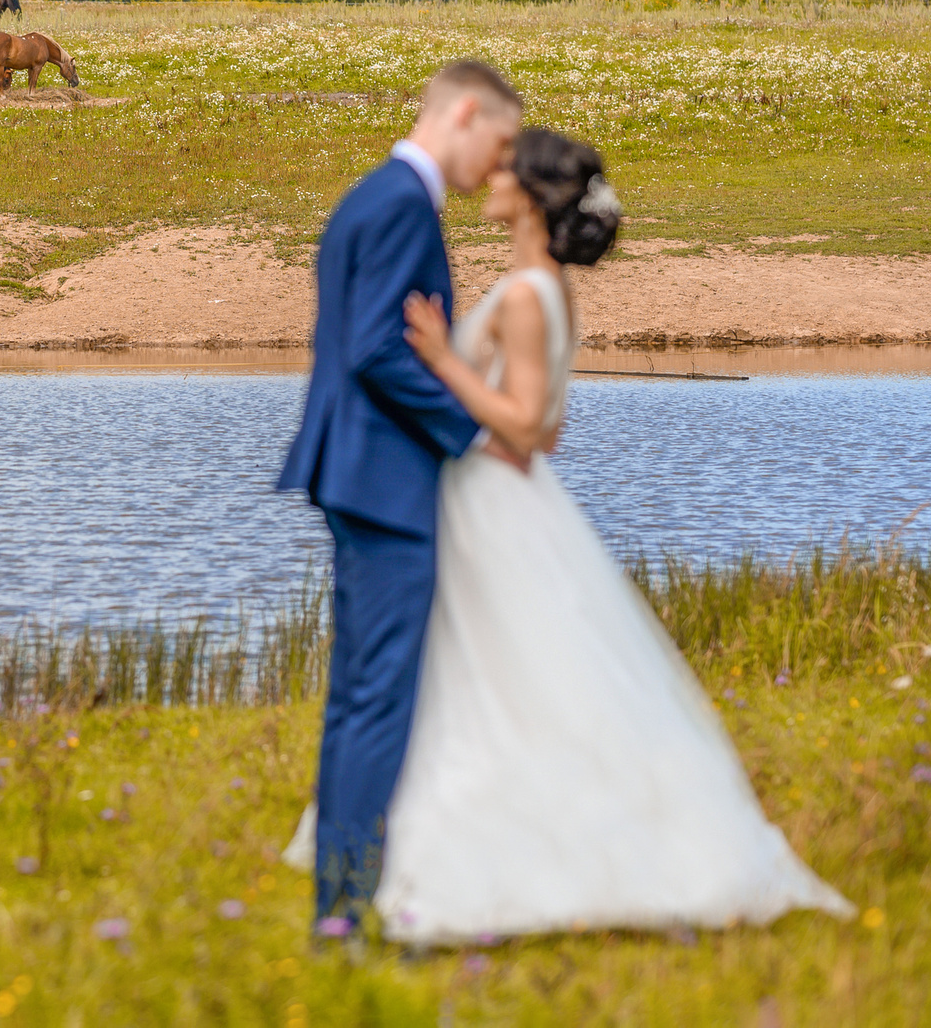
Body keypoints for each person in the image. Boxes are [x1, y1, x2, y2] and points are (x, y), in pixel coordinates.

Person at [357, 127, 851, 942]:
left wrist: (444, 361)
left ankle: (500, 853)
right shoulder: (546, 288)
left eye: (510, 171)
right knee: (526, 675)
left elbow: (522, 428)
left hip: (494, 499)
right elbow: (547, 433)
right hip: (519, 501)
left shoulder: (523, 295)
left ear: (536, 195)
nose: (494, 177)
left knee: (495, 676)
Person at [275, 59, 523, 938]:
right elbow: (379, 349)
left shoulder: (369, 197)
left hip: (357, 472)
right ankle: (344, 911)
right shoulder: (402, 205)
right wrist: (474, 430)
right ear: (463, 113)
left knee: (357, 699)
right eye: (496, 142)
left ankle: (340, 907)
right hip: (383, 482)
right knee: (379, 700)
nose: (496, 167)